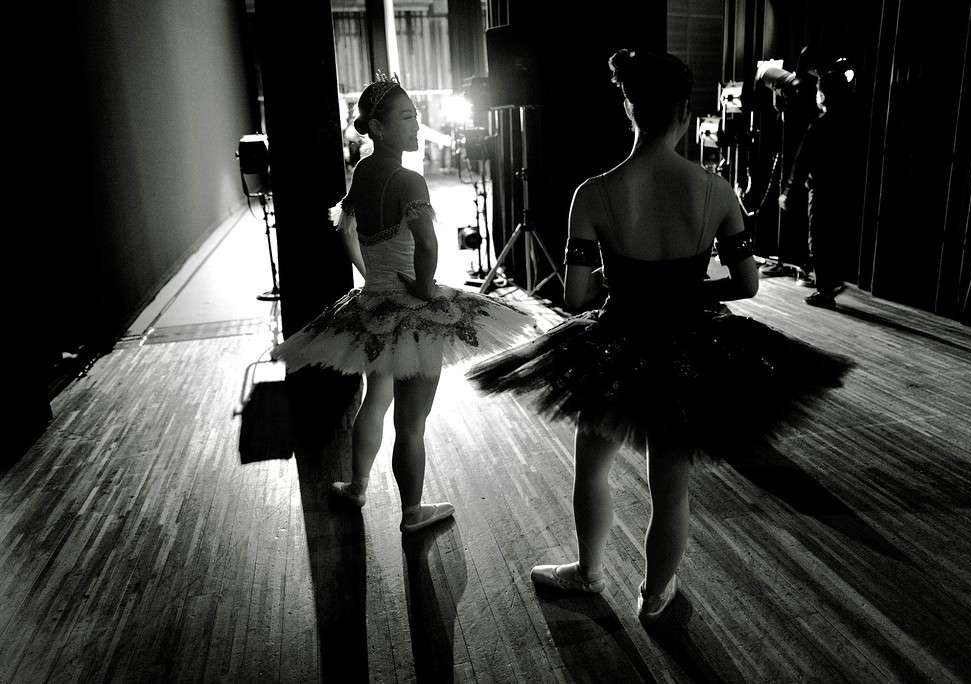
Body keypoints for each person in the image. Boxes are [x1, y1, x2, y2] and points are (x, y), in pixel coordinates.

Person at [467, 51, 852, 624]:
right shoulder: (716, 190)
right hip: (686, 348)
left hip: (616, 342)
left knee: (591, 467)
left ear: (629, 107)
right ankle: (654, 594)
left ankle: (589, 572)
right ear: (685, 113)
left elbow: (574, 298)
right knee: (671, 484)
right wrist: (685, 289)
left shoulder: (592, 194)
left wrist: (624, 279)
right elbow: (746, 285)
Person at [273, 74, 536, 534]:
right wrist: (423, 285)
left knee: (375, 400)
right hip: (412, 308)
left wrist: (370, 276)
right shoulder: (408, 179)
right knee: (411, 423)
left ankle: (357, 487)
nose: (417, 126)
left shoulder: (364, 173)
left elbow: (346, 229)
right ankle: (412, 514)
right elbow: (428, 243)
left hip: (374, 304)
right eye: (407, 118)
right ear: (377, 127)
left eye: (416, 115)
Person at [778, 59, 858, 308]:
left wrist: (789, 192)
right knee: (836, 236)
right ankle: (834, 281)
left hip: (822, 189)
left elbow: (802, 161)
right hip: (845, 190)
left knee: (819, 238)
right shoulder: (851, 124)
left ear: (822, 95)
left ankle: (825, 292)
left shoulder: (819, 125)